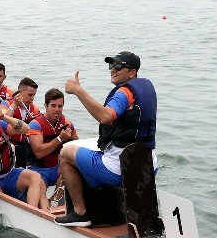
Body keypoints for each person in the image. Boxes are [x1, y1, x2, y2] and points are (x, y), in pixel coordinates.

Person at [55, 51, 157, 227]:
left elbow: (106, 117)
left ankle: (80, 213)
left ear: (132, 72)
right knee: (92, 147)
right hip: (148, 163)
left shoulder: (124, 93)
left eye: (118, 66)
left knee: (65, 153)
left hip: (119, 168)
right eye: (111, 66)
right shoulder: (147, 87)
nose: (112, 70)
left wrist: (78, 91)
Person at [27, 88, 78, 186]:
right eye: (53, 106)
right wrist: (60, 139)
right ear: (46, 106)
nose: (57, 110)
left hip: (57, 169)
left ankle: (57, 197)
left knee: (73, 166)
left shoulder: (67, 124)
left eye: (60, 106)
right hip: (36, 170)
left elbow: (77, 145)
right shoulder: (35, 125)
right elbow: (39, 152)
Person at [8, 77, 40, 167]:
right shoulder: (6, 104)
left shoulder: (35, 110)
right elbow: (1, 120)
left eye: (34, 95)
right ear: (20, 92)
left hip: (25, 146)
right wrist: (14, 105)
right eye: (30, 95)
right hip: (9, 144)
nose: (32, 98)